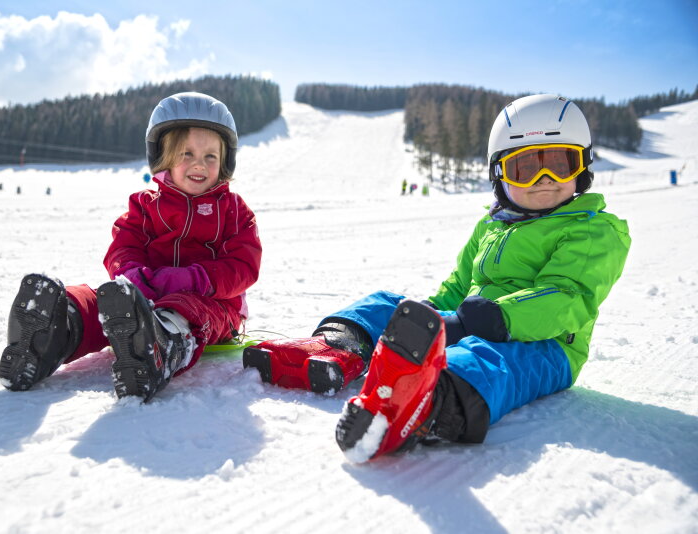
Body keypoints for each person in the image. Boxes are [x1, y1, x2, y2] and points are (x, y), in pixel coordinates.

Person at [243, 94, 630, 462]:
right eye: (525, 168)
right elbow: (459, 286)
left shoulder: (592, 230)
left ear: (582, 168)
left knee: (485, 359)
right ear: (500, 176)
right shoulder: (491, 226)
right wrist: (424, 316)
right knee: (385, 304)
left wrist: (495, 318)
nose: (544, 179)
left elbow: (567, 297)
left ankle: (425, 404)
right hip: (478, 322)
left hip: (548, 347)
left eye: (560, 165)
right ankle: (333, 350)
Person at [0, 92, 262, 402]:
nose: (198, 165)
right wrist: (131, 273)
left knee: (185, 308)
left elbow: (244, 265)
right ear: (164, 156)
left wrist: (196, 279)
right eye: (186, 153)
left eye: (210, 156)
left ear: (225, 160)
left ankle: (158, 346)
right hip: (146, 293)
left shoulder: (233, 211)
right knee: (106, 301)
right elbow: (124, 244)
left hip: (213, 305)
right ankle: (57, 329)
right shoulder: (145, 206)